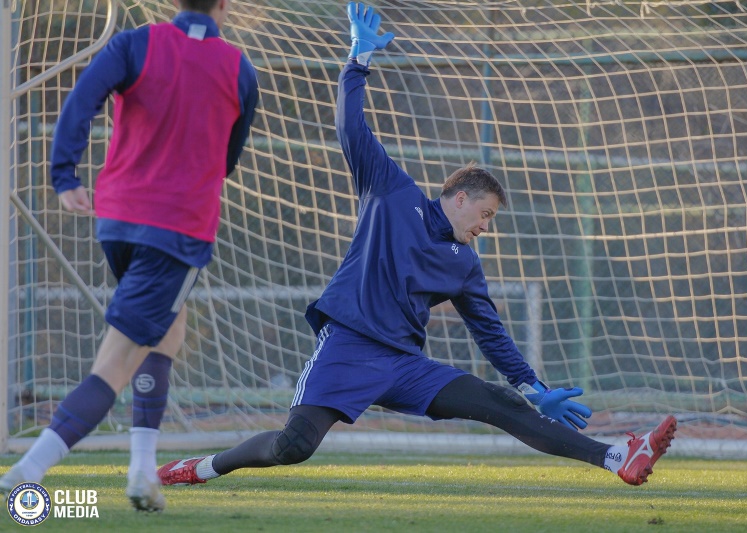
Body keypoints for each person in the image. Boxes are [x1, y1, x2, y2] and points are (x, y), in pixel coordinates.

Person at [157, 2, 676, 490]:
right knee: (292, 446)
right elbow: (350, 128)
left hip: (404, 366)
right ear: (460, 197)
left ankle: (616, 455)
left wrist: (533, 388)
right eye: (486, 214)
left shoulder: (464, 264)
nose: (486, 227)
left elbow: (491, 334)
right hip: (348, 348)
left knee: (501, 403)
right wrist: (358, 60)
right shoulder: (392, 193)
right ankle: (200, 468)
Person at [0, 0, 258, 512]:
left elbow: (83, 98)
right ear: (224, 6)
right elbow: (228, 159)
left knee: (169, 330)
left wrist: (64, 174)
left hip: (117, 219)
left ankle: (142, 470)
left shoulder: (135, 42)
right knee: (117, 360)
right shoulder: (238, 68)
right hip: (178, 230)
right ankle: (28, 469)